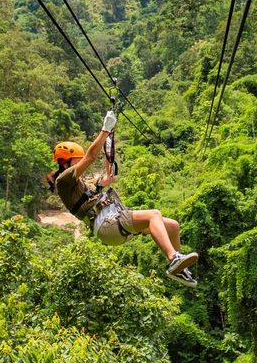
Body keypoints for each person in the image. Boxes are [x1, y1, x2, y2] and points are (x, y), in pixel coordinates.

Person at [46, 110, 199, 287]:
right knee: (154, 214)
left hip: (113, 222)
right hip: (107, 224)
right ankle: (173, 259)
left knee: (173, 226)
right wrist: (105, 129)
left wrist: (109, 143)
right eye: (76, 160)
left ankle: (178, 267)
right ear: (66, 161)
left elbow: (106, 178)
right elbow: (91, 156)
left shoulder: (83, 184)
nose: (79, 163)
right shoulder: (64, 181)